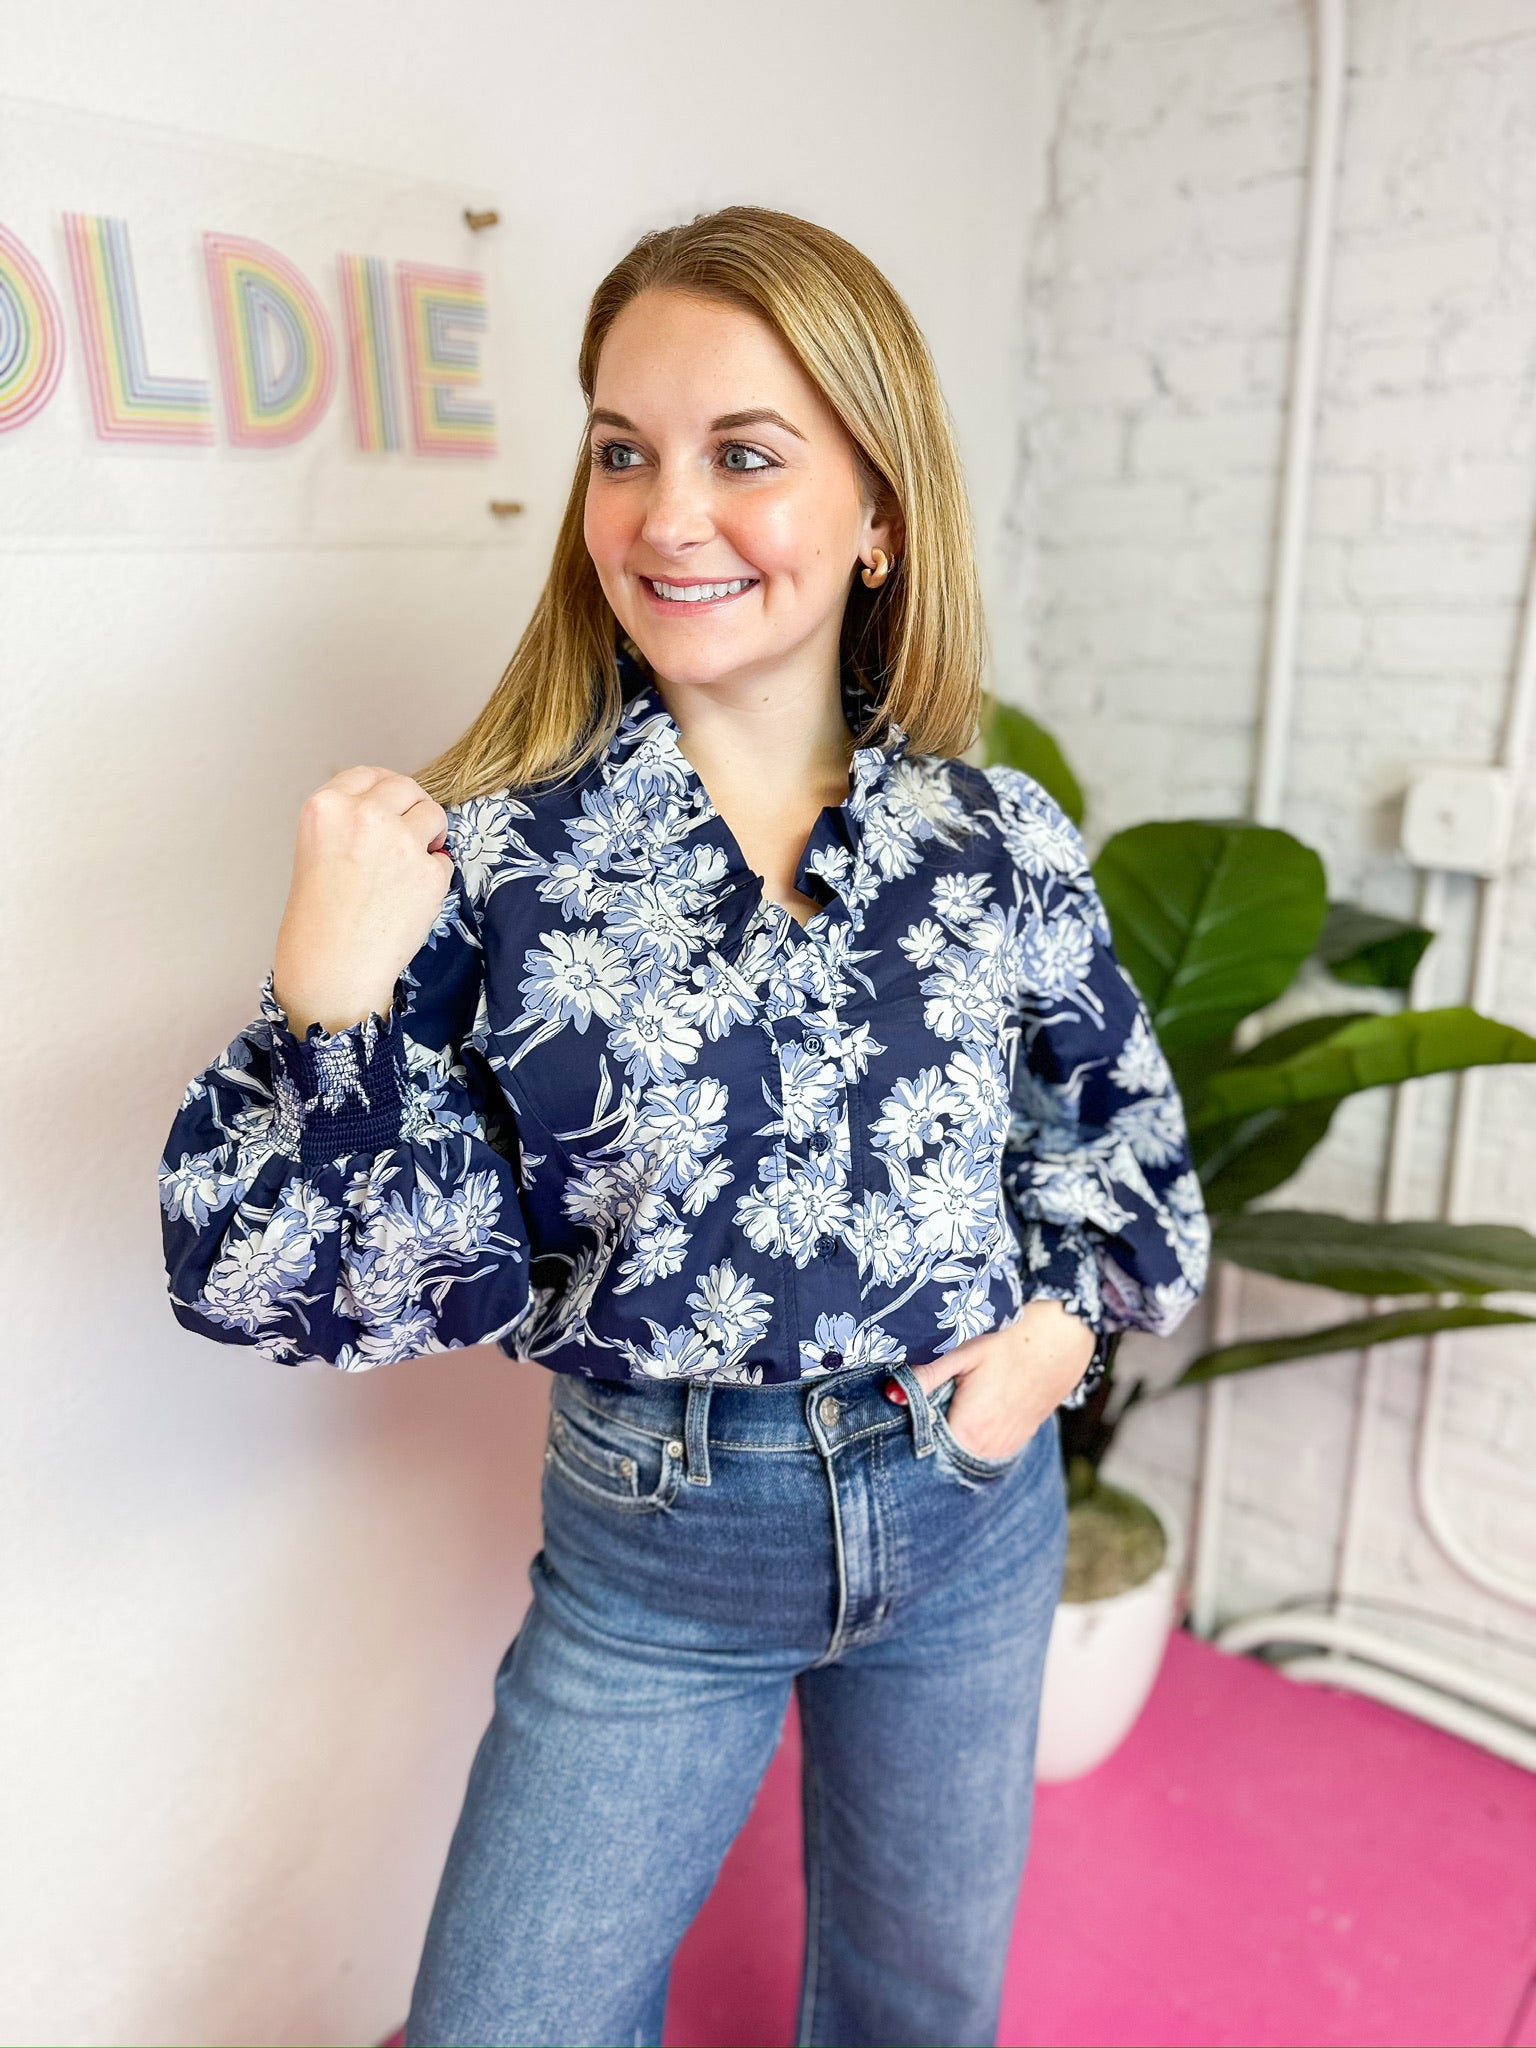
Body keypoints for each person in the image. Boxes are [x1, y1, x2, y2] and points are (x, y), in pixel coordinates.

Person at [158, 205, 1209, 2048]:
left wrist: (1040, 1353)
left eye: (746, 454)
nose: (667, 513)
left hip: (971, 1503)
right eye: (624, 452)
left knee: (920, 2004)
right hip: (659, 1550)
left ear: (881, 514)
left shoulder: (996, 838)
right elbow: (283, 1288)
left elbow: (1117, 1143)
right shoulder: (486, 861)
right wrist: (327, 1004)